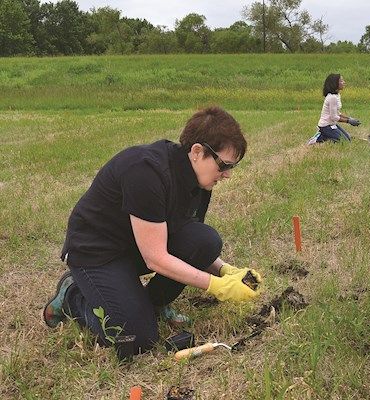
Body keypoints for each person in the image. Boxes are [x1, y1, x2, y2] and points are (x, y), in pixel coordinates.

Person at [43, 106, 263, 354]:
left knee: (205, 241)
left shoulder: (199, 182)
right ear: (197, 151)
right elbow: (155, 257)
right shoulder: (147, 173)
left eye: (232, 167)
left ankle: (151, 305)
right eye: (223, 165)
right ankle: (73, 296)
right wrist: (216, 285)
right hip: (96, 253)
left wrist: (225, 270)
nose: (227, 175)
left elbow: (184, 235)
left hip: (136, 244)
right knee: (136, 339)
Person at [308, 73, 361, 144]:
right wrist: (348, 121)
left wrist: (350, 118)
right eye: (341, 81)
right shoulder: (332, 98)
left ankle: (325, 136)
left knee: (348, 139)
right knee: (344, 142)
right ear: (335, 83)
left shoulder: (337, 95)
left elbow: (338, 113)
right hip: (326, 126)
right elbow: (334, 117)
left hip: (332, 125)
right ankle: (317, 139)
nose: (344, 82)